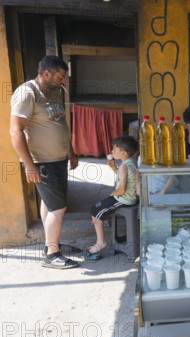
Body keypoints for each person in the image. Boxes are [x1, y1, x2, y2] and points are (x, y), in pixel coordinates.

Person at [9, 55, 80, 269]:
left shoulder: (55, 90)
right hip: (43, 161)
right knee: (59, 208)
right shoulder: (27, 93)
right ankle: (52, 254)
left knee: (49, 205)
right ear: (46, 73)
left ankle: (52, 243)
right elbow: (16, 130)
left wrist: (71, 151)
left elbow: (61, 122)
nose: (63, 81)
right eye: (60, 76)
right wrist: (29, 165)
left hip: (58, 158)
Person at [85, 136, 139, 261]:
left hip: (124, 199)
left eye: (115, 149)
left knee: (95, 212)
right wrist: (114, 167)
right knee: (96, 209)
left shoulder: (124, 167)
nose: (112, 151)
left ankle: (101, 242)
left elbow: (122, 189)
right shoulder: (128, 163)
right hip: (127, 197)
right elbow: (124, 179)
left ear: (124, 153)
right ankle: (104, 220)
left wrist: (111, 195)